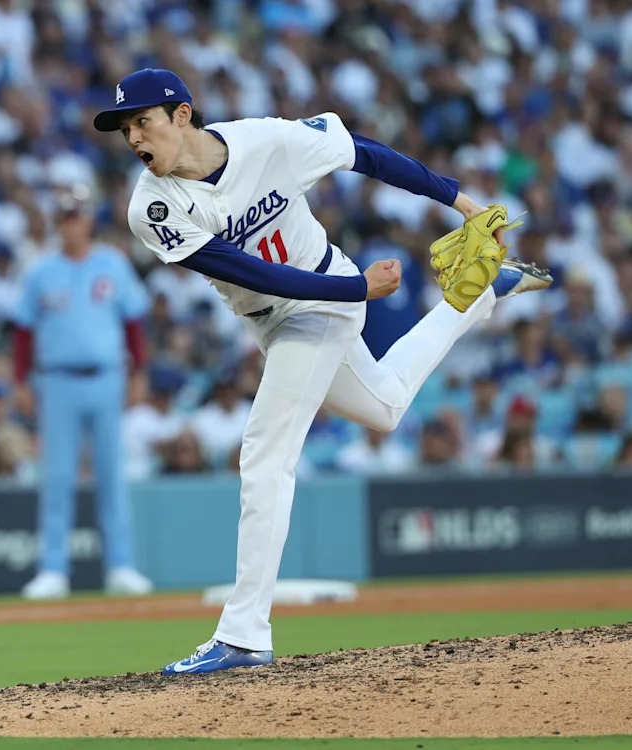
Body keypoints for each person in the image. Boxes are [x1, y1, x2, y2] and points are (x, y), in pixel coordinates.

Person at [94, 68, 551, 674]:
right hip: (291, 306)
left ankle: (243, 634)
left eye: (143, 121)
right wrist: (355, 285)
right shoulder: (152, 206)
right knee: (383, 407)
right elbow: (248, 271)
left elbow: (363, 153)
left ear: (182, 115)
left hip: (320, 306)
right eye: (125, 128)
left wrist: (462, 202)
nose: (133, 138)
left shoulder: (265, 141)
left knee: (263, 454)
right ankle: (481, 297)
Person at [12, 184, 153, 600]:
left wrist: (139, 372)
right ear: (58, 223)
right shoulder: (40, 271)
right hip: (57, 380)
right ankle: (53, 568)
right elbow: (22, 331)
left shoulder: (112, 264)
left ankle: (121, 565)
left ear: (89, 220)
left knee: (112, 474)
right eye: (64, 217)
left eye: (77, 215)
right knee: (57, 477)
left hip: (107, 375)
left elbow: (133, 324)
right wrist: (20, 380)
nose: (71, 224)